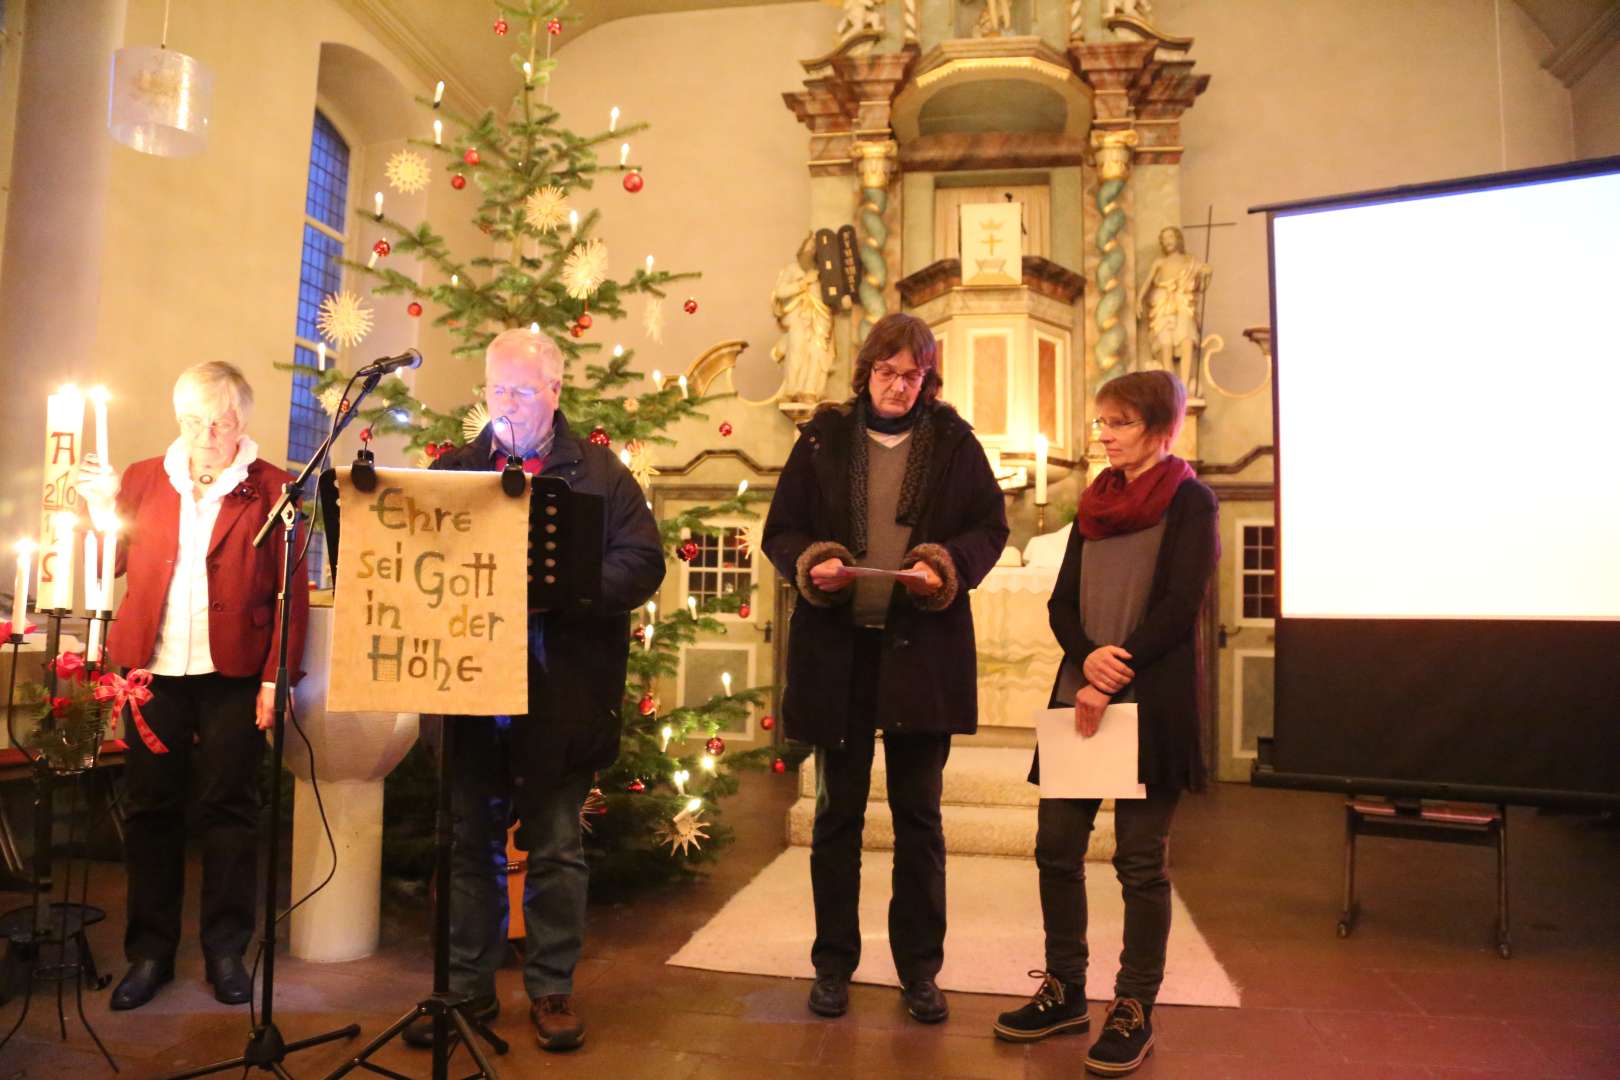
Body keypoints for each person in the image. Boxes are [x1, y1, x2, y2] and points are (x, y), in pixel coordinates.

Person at [404, 326, 663, 1053]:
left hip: (563, 695)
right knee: (466, 847)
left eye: (521, 390)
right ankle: (466, 991)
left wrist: (565, 590)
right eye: (496, 390)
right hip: (468, 697)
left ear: (555, 391)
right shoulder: (455, 469)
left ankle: (551, 990)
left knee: (554, 849)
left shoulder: (603, 475)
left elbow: (644, 564)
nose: (506, 404)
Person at [762, 312, 1008, 1024]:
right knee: (837, 816)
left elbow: (990, 527)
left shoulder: (956, 443)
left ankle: (919, 972)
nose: (899, 386)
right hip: (839, 653)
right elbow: (783, 529)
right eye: (887, 372)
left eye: (913, 375)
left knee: (919, 820)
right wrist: (813, 563)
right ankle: (833, 965)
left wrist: (946, 564)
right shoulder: (823, 438)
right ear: (866, 371)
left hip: (919, 655)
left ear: (928, 379)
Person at [992, 370, 1218, 1077]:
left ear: (1158, 428)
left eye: (1118, 422)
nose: (1104, 435)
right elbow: (1061, 604)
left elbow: (1181, 605)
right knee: (1056, 846)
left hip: (1152, 700)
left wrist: (1113, 674)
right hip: (1082, 691)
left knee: (1139, 861)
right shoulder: (1095, 503)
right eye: (1102, 423)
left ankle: (1133, 1006)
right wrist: (1087, 663)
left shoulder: (1190, 500)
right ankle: (1063, 991)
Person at [85, 361, 310, 1010]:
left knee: (229, 811)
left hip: (233, 674)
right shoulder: (142, 479)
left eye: (221, 420)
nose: (207, 433)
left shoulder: (273, 488)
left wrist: (276, 677)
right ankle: (151, 951)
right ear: (176, 416)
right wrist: (100, 512)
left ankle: (224, 949)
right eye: (192, 420)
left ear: (244, 417)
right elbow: (106, 568)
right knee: (152, 810)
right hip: (151, 669)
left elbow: (290, 592)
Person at [1137, 226, 1212, 391]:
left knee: (1187, 339)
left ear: (1177, 238)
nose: (1167, 241)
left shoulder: (1190, 261)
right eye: (1164, 239)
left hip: (1183, 302)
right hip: (1163, 303)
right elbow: (1148, 282)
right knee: (1166, 345)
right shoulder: (1160, 262)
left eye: (1170, 237)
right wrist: (1138, 300)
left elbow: (1201, 283)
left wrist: (1207, 273)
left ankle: (1184, 384)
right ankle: (1170, 387)